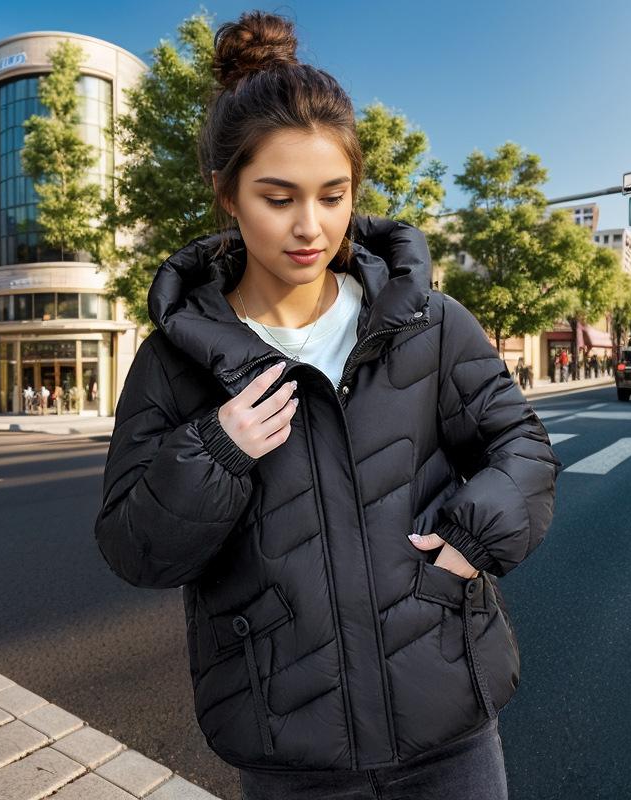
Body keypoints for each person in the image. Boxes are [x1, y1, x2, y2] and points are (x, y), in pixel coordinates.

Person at [93, 11, 560, 800]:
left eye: (332, 195)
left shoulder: (429, 322)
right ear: (228, 196)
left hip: (451, 722)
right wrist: (216, 451)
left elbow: (523, 446)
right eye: (278, 198)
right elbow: (135, 549)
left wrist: (469, 542)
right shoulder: (174, 362)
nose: (310, 227)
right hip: (288, 748)